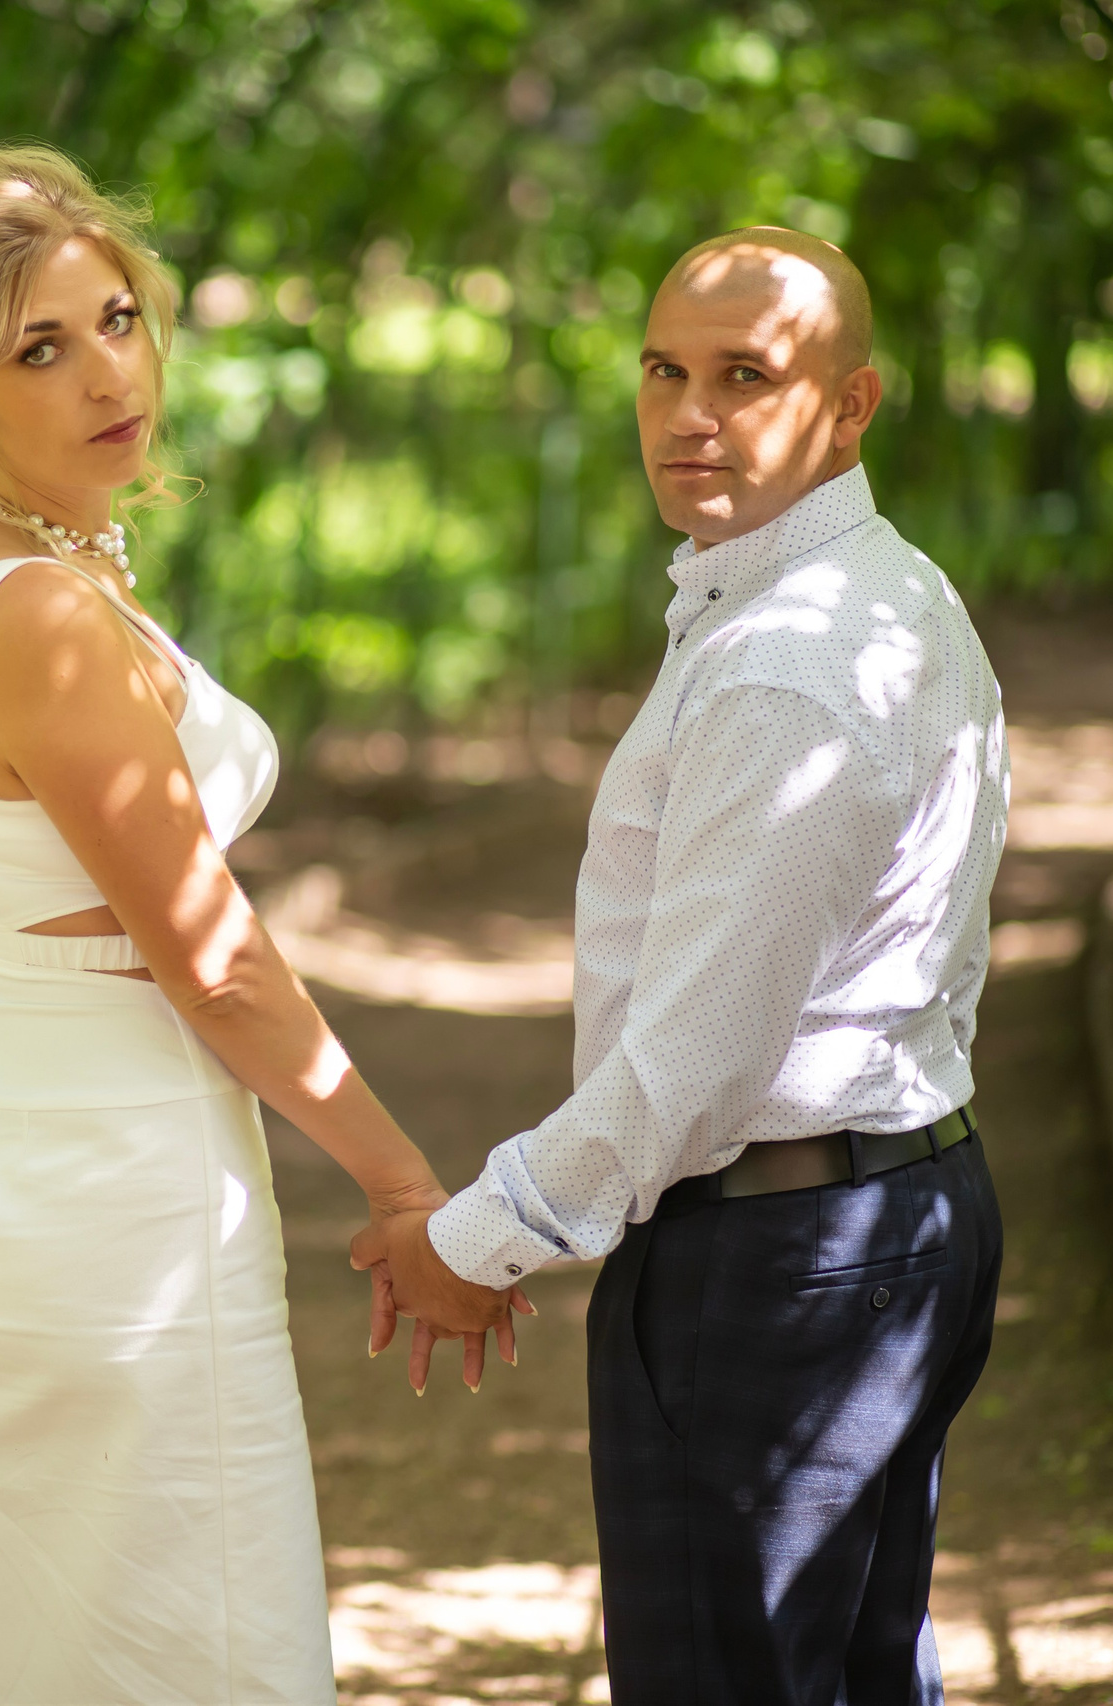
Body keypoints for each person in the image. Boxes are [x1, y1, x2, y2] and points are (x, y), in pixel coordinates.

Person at [0, 144, 523, 1704]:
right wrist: (413, 1191)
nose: (104, 376)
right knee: (181, 1653)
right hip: (101, 1223)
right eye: (39, 349)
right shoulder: (50, 620)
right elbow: (213, 960)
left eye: (118, 318)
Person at [353, 227, 1010, 1702]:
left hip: (780, 1255)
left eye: (745, 376)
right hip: (890, 1203)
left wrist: (473, 1241)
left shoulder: (795, 660)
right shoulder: (878, 594)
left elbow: (693, 1072)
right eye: (664, 370)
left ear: (851, 405)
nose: (689, 413)